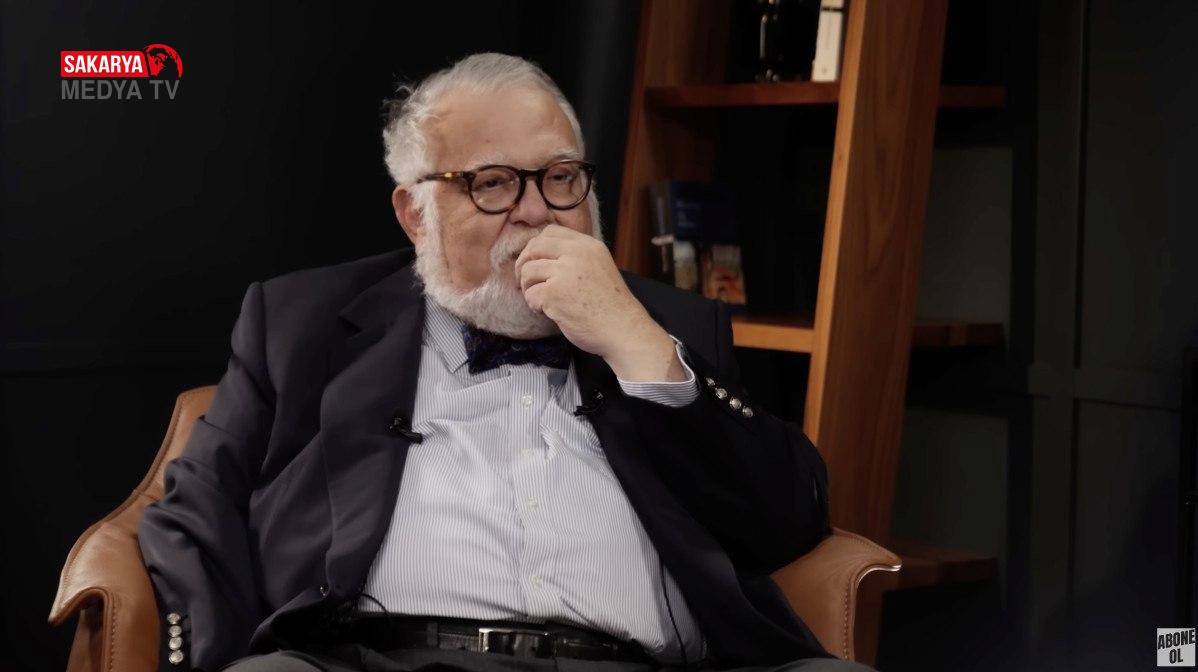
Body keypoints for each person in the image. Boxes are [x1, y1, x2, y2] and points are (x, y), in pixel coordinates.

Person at [138, 52, 866, 672]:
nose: (537, 210)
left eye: (560, 176)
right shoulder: (303, 323)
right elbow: (196, 512)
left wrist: (639, 347)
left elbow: (790, 521)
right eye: (492, 183)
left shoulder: (669, 325)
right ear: (415, 213)